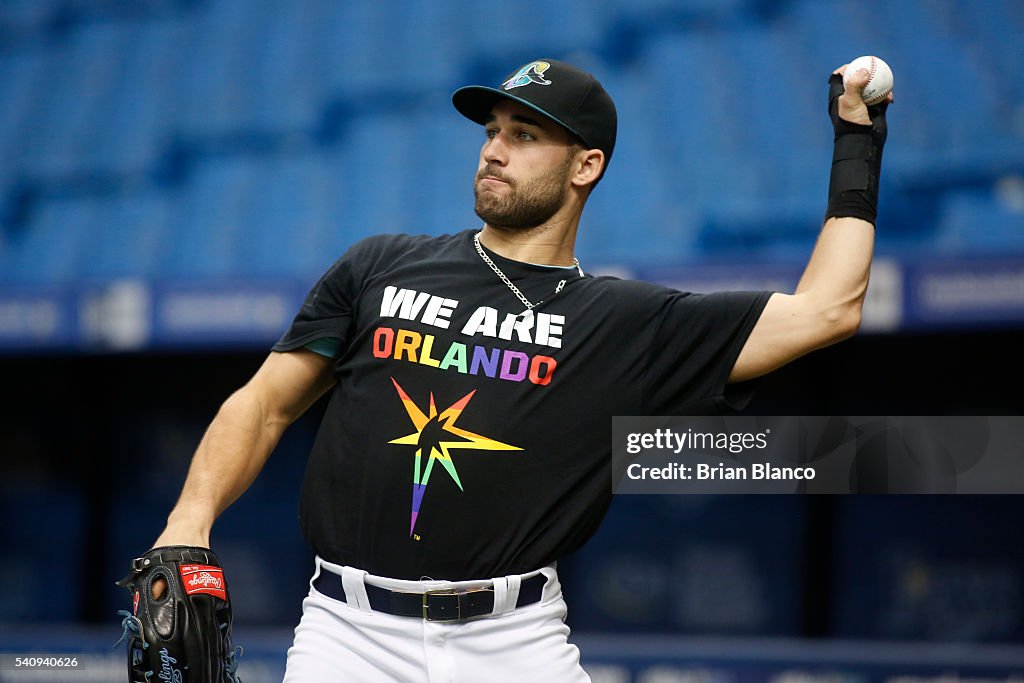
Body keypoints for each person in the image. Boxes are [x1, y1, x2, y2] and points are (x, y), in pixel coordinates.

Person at [148, 58, 891, 681]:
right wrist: (190, 517)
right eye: (492, 132)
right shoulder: (378, 264)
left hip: (514, 642)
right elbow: (266, 403)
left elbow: (828, 310)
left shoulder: (624, 319)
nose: (494, 150)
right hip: (347, 634)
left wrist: (857, 141)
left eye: (525, 135)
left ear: (586, 166)